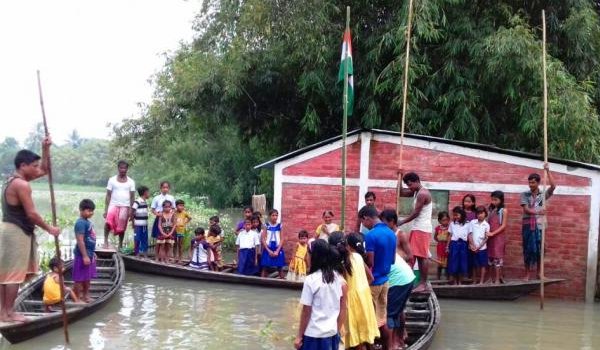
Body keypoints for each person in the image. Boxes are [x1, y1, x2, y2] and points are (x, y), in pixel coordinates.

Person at [0, 142, 61, 323]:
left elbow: (45, 170)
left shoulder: (13, 180)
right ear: (23, 166)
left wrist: (45, 148)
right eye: (33, 166)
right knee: (13, 275)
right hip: (16, 232)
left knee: (4, 274)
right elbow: (32, 214)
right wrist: (50, 229)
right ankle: (9, 313)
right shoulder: (22, 185)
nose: (37, 169)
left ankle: (3, 312)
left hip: (7, 230)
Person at [294, 239, 347, 350]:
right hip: (331, 333)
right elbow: (343, 310)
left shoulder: (311, 280)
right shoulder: (339, 279)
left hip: (313, 334)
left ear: (314, 256)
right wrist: (336, 330)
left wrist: (299, 336)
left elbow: (306, 311)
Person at [330, 232, 379, 350]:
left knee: (355, 337)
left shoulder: (339, 265)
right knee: (365, 334)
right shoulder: (357, 257)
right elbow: (371, 278)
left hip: (351, 302)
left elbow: (339, 288)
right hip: (365, 297)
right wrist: (361, 289)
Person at [359, 205, 396, 348]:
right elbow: (392, 260)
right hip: (385, 280)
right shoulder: (392, 233)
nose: (364, 226)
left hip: (373, 282)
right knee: (381, 319)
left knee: (368, 320)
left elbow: (370, 262)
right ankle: (388, 347)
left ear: (366, 218)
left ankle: (371, 347)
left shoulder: (371, 235)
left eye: (363, 223)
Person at [398, 171, 433, 293]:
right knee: (417, 255)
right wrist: (399, 177)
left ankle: (423, 284)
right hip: (417, 228)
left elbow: (416, 213)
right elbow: (401, 193)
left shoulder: (422, 193)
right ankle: (421, 283)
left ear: (417, 181)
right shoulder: (416, 191)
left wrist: (402, 222)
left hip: (422, 228)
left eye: (410, 184)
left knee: (422, 256)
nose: (409, 187)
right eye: (408, 185)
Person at [521, 164, 556, 280]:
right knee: (528, 248)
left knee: (541, 249)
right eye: (529, 183)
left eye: (533, 183)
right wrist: (537, 212)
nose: (531, 185)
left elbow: (553, 186)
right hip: (528, 225)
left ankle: (539, 273)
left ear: (538, 183)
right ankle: (527, 274)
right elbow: (526, 209)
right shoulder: (525, 194)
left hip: (540, 224)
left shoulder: (542, 195)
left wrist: (548, 170)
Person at [386, 239, 416, 350]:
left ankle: (392, 345)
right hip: (407, 278)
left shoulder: (367, 251)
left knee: (389, 314)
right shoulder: (384, 244)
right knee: (397, 311)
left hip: (399, 281)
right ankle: (400, 340)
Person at [103, 160, 135, 250]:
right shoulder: (112, 180)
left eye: (124, 168)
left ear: (127, 169)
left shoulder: (131, 182)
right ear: (118, 168)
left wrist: (131, 210)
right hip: (113, 205)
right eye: (121, 168)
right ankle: (105, 240)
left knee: (122, 226)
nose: (123, 170)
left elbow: (132, 197)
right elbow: (108, 195)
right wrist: (106, 209)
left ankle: (120, 244)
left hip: (125, 206)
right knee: (108, 222)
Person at [73, 199, 98, 302]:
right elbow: (80, 240)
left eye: (92, 211)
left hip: (89, 254)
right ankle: (77, 297)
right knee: (79, 277)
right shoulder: (80, 223)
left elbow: (90, 239)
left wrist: (93, 253)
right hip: (81, 254)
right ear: (81, 210)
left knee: (87, 277)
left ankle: (86, 296)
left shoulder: (87, 222)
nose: (91, 213)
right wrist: (84, 256)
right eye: (88, 210)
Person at [150, 181, 176, 260]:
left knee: (167, 241)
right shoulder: (156, 198)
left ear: (169, 188)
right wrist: (158, 214)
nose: (165, 189)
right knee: (159, 240)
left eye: (167, 187)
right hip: (160, 218)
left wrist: (171, 214)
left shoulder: (171, 198)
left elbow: (174, 208)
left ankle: (165, 258)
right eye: (163, 187)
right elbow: (153, 209)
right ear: (160, 188)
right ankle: (157, 256)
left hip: (169, 220)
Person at [487, 190, 508, 284]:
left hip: (498, 237)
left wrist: (493, 233)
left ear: (501, 200)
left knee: (497, 258)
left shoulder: (504, 210)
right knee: (490, 257)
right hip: (490, 237)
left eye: (495, 200)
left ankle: (497, 279)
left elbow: (503, 226)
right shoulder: (491, 210)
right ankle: (490, 278)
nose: (493, 202)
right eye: (492, 200)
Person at [447, 206, 470, 285]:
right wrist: (447, 246)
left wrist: (471, 244)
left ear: (462, 215)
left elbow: (469, 235)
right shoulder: (452, 224)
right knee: (454, 262)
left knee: (462, 262)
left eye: (457, 215)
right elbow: (450, 235)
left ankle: (460, 281)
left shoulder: (467, 224)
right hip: (454, 245)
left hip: (463, 245)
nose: (455, 217)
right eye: (454, 215)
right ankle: (454, 281)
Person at [260, 209, 286, 278]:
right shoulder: (266, 225)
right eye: (273, 215)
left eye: (276, 215)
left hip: (277, 248)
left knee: (280, 267)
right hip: (268, 247)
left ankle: (283, 283)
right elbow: (263, 239)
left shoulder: (280, 226)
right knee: (265, 267)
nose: (275, 217)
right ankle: (261, 283)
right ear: (269, 216)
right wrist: (268, 250)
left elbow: (282, 239)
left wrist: (277, 251)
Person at [469, 206, 490, 284]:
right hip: (473, 248)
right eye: (478, 213)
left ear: (485, 214)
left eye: (481, 213)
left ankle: (481, 281)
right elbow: (470, 234)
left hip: (482, 248)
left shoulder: (486, 225)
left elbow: (486, 238)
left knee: (483, 265)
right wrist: (473, 245)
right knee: (474, 265)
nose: (479, 215)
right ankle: (474, 280)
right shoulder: (472, 222)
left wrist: (479, 246)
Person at [131, 186, 150, 259]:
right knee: (137, 238)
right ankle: (137, 253)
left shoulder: (145, 201)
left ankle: (145, 253)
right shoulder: (137, 201)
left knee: (144, 238)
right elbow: (132, 212)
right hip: (138, 225)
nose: (149, 194)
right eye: (148, 192)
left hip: (144, 225)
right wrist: (133, 223)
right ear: (145, 193)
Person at [174, 199, 192, 264]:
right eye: (180, 205)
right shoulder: (174, 212)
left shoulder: (184, 213)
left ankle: (180, 259)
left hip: (181, 230)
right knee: (175, 244)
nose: (182, 207)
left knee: (180, 245)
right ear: (176, 206)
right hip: (174, 230)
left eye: (183, 206)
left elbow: (190, 218)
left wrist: (185, 222)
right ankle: (175, 258)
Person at [434, 211, 450, 280]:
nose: (445, 222)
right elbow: (435, 237)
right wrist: (439, 241)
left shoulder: (449, 228)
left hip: (447, 247)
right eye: (443, 220)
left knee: (447, 264)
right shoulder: (438, 228)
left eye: (447, 220)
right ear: (439, 221)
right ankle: (438, 278)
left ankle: (447, 278)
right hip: (440, 247)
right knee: (439, 264)